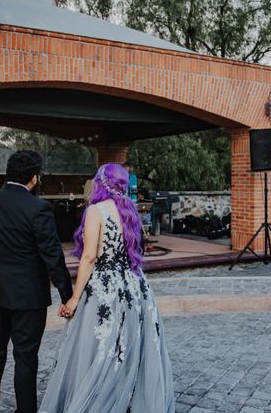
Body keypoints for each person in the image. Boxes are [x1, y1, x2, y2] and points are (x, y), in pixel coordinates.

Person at [39, 163, 175, 413]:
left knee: (100, 344)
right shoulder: (129, 210)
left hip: (105, 286)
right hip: (134, 285)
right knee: (129, 342)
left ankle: (100, 398)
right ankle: (126, 394)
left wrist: (74, 298)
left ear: (100, 183)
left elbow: (89, 257)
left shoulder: (96, 211)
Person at [0, 150, 73, 413]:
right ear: (34, 178)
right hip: (27, 296)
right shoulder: (38, 208)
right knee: (25, 357)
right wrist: (68, 295)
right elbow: (52, 256)